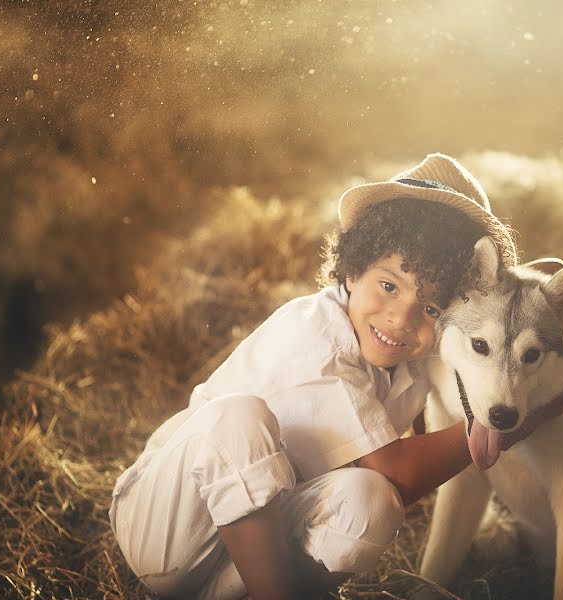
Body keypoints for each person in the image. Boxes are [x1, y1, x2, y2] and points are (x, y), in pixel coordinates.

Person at [109, 153, 520, 599]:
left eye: (431, 307)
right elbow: (400, 469)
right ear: (353, 265)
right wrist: (511, 422)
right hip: (165, 528)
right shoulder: (317, 336)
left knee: (372, 501)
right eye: (388, 285)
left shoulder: (411, 358)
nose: (401, 318)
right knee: (237, 420)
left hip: (246, 548)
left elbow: (402, 456)